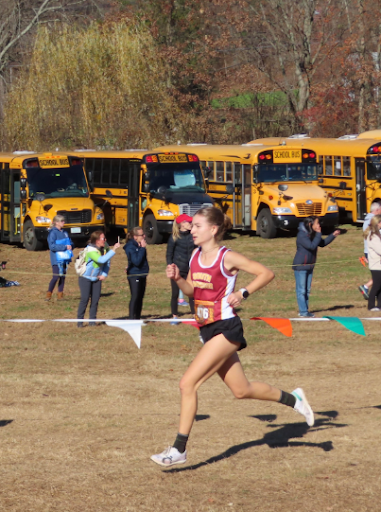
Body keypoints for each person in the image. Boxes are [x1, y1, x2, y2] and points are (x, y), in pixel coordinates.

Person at [151, 206, 314, 467]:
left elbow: (266, 273)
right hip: (207, 329)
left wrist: (243, 293)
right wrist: (179, 278)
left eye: (197, 226)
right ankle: (294, 399)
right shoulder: (194, 256)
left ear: (213, 229)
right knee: (242, 390)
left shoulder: (227, 257)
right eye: (191, 226)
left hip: (226, 328)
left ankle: (179, 448)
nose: (191, 230)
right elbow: (192, 291)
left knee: (187, 384)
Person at [292, 216, 341, 317]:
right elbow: (311, 246)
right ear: (310, 224)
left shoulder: (312, 234)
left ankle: (305, 310)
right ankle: (303, 312)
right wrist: (318, 234)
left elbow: (321, 243)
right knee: (301, 290)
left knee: (307, 290)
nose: (319, 225)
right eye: (317, 223)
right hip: (301, 266)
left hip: (310, 266)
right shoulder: (302, 235)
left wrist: (333, 235)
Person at [77, 231, 120, 327]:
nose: (105, 240)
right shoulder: (90, 250)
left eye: (105, 238)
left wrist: (104, 274)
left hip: (97, 278)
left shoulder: (104, 248)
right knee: (84, 300)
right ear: (97, 241)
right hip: (85, 278)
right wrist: (114, 250)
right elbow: (101, 260)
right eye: (103, 238)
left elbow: (107, 262)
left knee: (95, 300)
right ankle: (79, 322)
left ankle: (92, 321)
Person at [166, 214, 196, 324]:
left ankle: (194, 315)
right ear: (182, 224)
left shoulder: (193, 235)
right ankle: (174, 316)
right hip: (177, 269)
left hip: (190, 269)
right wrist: (170, 266)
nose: (190, 224)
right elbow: (169, 253)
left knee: (192, 293)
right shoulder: (174, 237)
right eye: (188, 222)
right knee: (175, 293)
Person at [46, 215, 72, 301]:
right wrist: (64, 247)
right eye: (62, 221)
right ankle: (49, 294)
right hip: (56, 259)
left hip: (65, 258)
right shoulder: (52, 233)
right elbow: (52, 246)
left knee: (62, 276)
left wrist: (71, 246)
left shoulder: (65, 232)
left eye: (64, 221)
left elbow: (70, 242)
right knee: (56, 276)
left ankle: (60, 295)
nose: (63, 222)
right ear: (56, 222)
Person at [125, 226, 149, 320]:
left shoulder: (138, 245)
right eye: (141, 235)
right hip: (134, 275)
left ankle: (137, 317)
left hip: (142, 273)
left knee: (140, 297)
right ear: (135, 236)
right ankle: (131, 318)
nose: (144, 236)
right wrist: (142, 249)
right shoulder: (130, 246)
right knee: (135, 297)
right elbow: (136, 261)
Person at [358, 201, 381, 300]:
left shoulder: (368, 220)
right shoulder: (371, 220)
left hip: (372, 249)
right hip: (373, 250)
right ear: (377, 210)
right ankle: (366, 287)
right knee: (378, 276)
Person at [364, 215, 381, 311]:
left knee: (380, 285)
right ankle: (371, 306)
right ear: (378, 223)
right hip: (376, 265)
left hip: (379, 264)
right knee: (376, 286)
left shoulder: (377, 234)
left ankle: (379, 305)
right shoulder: (373, 235)